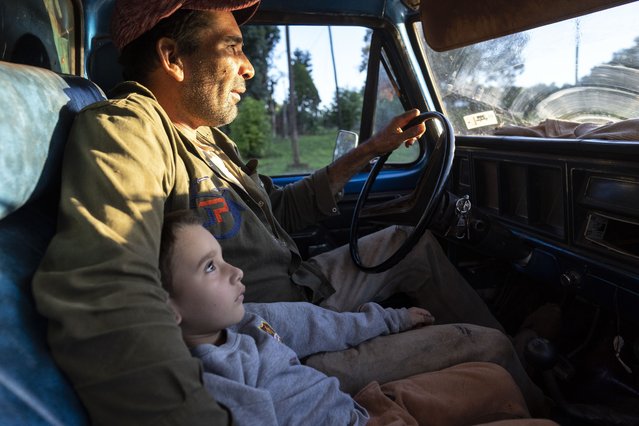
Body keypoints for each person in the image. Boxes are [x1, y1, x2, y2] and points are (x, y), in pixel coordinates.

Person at [31, 0, 546, 424]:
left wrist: (369, 151)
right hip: (268, 337)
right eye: (232, 47)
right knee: (490, 350)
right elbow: (110, 287)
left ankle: (516, 349)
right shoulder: (129, 130)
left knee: (411, 244)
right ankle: (543, 386)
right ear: (172, 57)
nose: (248, 65)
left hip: (302, 286)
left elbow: (281, 211)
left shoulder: (206, 136)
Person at [159, 209, 551, 426]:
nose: (236, 271)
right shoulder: (216, 380)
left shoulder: (248, 322)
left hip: (365, 410)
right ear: (164, 306)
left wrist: (391, 319)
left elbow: (316, 324)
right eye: (211, 267)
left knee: (496, 379)